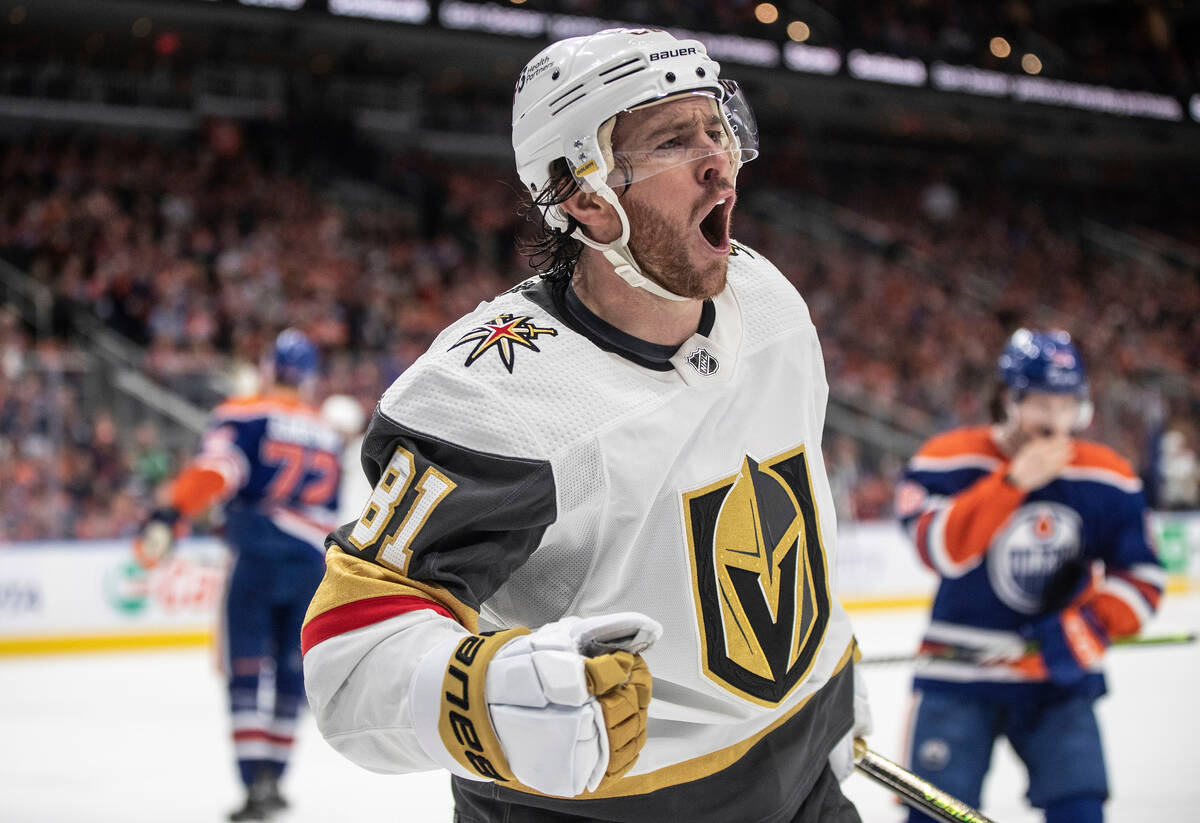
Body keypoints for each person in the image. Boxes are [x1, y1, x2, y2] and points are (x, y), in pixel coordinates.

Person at [301, 27, 868, 823]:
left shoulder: (767, 299)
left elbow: (797, 527)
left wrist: (834, 688)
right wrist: (492, 693)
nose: (719, 159)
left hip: (805, 774)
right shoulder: (496, 391)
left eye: (718, 127)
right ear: (584, 197)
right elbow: (350, 657)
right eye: (675, 139)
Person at [895, 329, 1166, 823]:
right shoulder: (946, 458)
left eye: (1069, 405)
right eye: (1043, 403)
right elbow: (938, 551)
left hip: (1056, 676)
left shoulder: (1108, 475)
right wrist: (1013, 482)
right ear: (1010, 398)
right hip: (958, 674)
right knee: (933, 815)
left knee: (1081, 809)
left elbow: (1143, 578)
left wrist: (1081, 632)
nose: (1057, 420)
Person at [136, 328, 344, 821]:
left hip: (256, 555)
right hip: (311, 564)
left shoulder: (245, 413)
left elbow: (220, 470)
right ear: (310, 377)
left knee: (246, 672)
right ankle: (275, 776)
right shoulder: (329, 431)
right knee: (293, 676)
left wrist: (173, 511)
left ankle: (254, 783)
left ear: (271, 367)